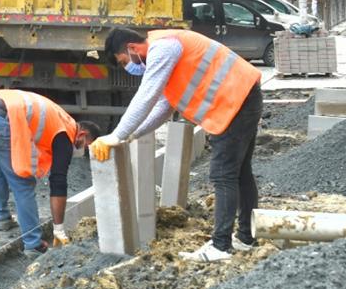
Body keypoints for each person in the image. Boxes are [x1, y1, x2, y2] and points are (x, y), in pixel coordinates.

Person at [93, 27, 263, 262]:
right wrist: (129, 136)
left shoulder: (162, 48)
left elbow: (147, 96)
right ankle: (245, 238)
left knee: (223, 175)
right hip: (241, 96)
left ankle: (221, 246)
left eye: (124, 61)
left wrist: (117, 134)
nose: (128, 67)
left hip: (234, 102)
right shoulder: (165, 47)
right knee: (240, 172)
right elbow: (163, 106)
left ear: (132, 48)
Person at [0, 89, 101, 254]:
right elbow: (58, 182)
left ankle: (1, 218)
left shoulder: (61, 120)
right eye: (86, 147)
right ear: (82, 134)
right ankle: (33, 244)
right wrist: (58, 229)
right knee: (23, 182)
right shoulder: (65, 135)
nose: (83, 152)